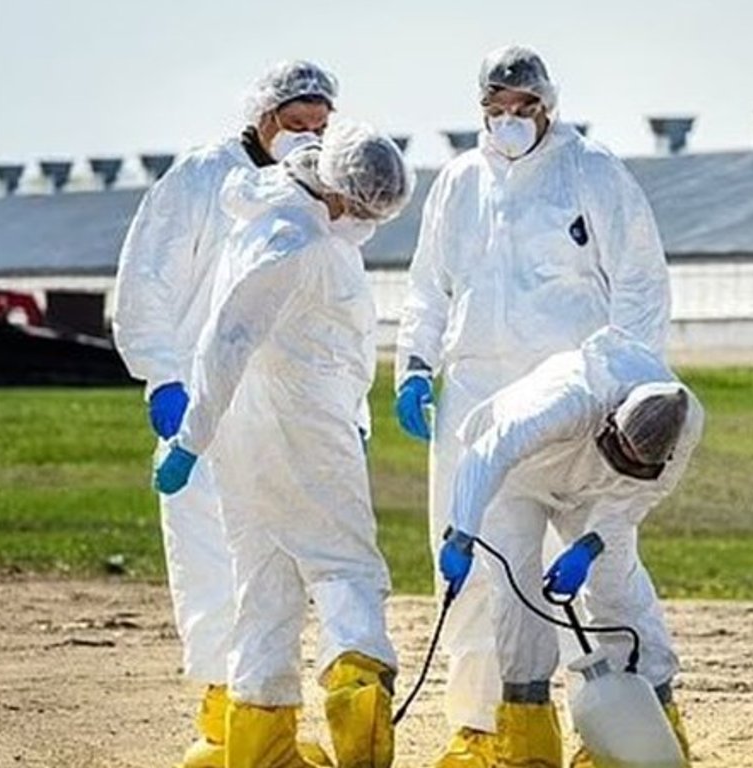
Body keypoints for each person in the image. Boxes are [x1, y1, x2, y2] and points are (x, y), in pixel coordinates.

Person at [392, 45, 672, 767]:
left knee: (602, 566)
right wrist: (414, 365)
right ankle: (490, 728)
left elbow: (640, 282)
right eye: (496, 110)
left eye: (524, 108)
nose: (510, 121)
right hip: (476, 397)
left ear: (549, 105)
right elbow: (429, 286)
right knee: (480, 564)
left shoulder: (593, 172)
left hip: (575, 394)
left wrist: (629, 380)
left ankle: (628, 728)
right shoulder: (457, 182)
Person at [152, 121, 414, 768]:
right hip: (305, 427)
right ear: (337, 189)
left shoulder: (267, 224)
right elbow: (227, 342)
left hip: (247, 438)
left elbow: (236, 344)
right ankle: (360, 720)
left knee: (264, 583)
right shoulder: (297, 243)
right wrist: (190, 436)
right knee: (345, 568)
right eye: (360, 208)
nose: (363, 221)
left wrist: (202, 439)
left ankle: (261, 743)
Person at [111, 58, 338, 768]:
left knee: (276, 568)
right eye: (296, 124)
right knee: (212, 565)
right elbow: (143, 283)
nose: (307, 138)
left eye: (320, 128)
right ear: (263, 117)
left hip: (279, 409)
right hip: (201, 409)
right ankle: (224, 721)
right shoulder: (199, 178)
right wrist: (162, 380)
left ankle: (267, 717)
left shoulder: (312, 188)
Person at [437, 326, 701, 768]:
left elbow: (637, 499)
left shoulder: (685, 425)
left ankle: (654, 727)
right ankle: (529, 741)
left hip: (603, 494)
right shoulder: (567, 400)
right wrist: (462, 533)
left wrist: (590, 546)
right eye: (619, 450)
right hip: (519, 481)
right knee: (517, 592)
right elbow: (487, 456)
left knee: (618, 590)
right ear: (612, 418)